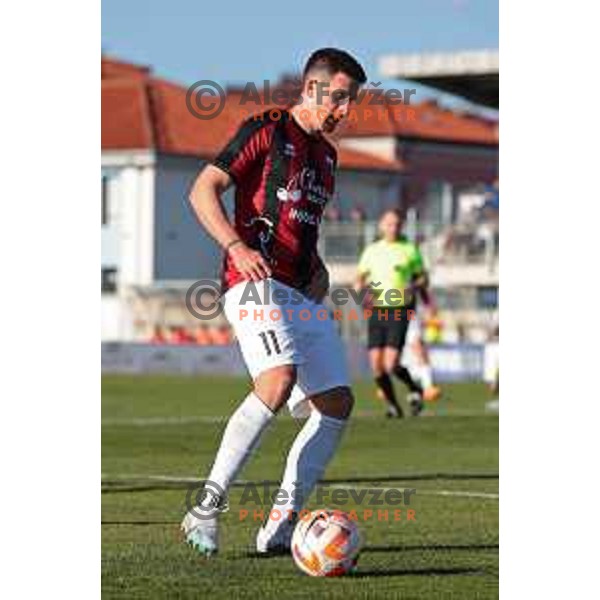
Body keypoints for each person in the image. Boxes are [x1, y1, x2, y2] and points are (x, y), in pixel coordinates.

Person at [182, 48, 367, 556]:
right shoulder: (266, 128)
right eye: (340, 99)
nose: (346, 111)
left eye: (353, 102)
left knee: (336, 403)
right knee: (278, 378)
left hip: (298, 288)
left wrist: (319, 269)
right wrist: (236, 247)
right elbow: (203, 189)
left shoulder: (327, 157)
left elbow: (302, 226)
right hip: (253, 280)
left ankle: (282, 528)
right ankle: (206, 508)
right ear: (311, 89)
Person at [355, 210, 432, 417]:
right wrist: (362, 299)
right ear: (381, 226)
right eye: (389, 224)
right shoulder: (372, 250)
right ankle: (393, 406)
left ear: (402, 226)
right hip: (377, 309)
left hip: (400, 308)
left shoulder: (409, 249)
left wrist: (413, 286)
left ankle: (415, 388)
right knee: (376, 365)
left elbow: (423, 279)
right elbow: (359, 279)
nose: (393, 228)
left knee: (391, 364)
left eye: (397, 224)